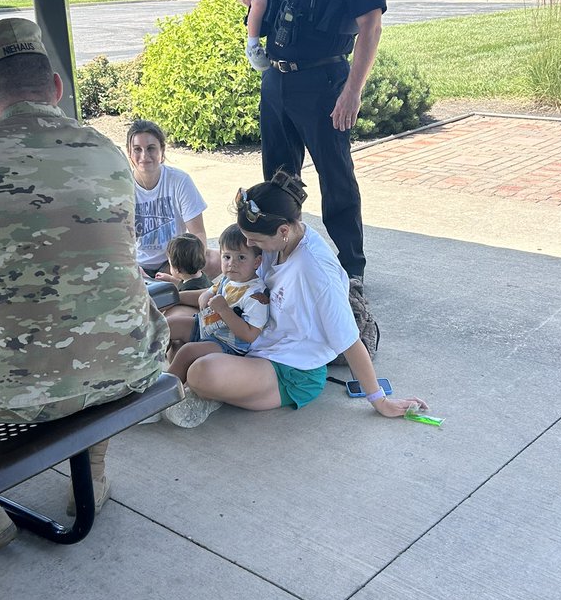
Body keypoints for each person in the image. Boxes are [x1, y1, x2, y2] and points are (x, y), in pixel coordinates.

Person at [0, 18, 168, 550]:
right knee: (94, 330)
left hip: (13, 388)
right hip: (137, 362)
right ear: (57, 89)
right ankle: (95, 465)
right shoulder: (109, 151)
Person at [162, 172, 427, 429]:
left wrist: (379, 400)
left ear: (283, 231)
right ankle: (208, 389)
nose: (248, 243)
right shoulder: (277, 240)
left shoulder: (315, 271)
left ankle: (211, 393)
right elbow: (224, 269)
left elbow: (349, 339)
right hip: (249, 344)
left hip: (291, 369)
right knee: (174, 323)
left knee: (201, 372)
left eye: (254, 240)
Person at [234, 0, 385, 293]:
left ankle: (350, 270)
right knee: (278, 178)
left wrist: (352, 92)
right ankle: (281, 262)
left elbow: (371, 26)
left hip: (322, 84)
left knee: (335, 177)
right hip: (278, 80)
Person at [167, 225, 269, 388]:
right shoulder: (229, 278)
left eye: (241, 257)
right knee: (169, 325)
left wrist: (224, 310)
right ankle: (143, 364)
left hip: (227, 344)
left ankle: (166, 389)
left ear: (257, 261)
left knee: (188, 352)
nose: (232, 264)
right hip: (207, 326)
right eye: (227, 257)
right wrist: (206, 295)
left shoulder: (256, 295)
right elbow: (213, 289)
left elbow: (250, 335)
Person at [127, 119, 213, 279]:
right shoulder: (122, 186)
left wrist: (179, 270)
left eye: (151, 148)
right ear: (129, 153)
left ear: (162, 150)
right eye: (137, 149)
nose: (144, 156)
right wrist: (133, 269)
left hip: (175, 263)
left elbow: (198, 234)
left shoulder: (180, 180)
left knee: (217, 259)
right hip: (136, 266)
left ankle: (178, 288)